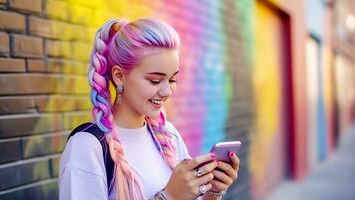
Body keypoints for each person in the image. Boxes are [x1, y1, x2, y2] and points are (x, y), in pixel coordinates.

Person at [58, 18, 240, 200]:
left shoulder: (169, 135)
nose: (167, 91)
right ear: (119, 76)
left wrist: (212, 192)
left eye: (172, 80)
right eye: (154, 80)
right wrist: (167, 197)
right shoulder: (87, 146)